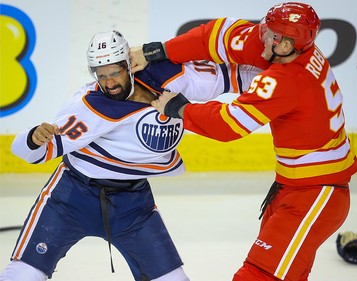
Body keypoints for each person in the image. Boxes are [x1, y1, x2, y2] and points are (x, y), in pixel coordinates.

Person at [0, 30, 260, 281]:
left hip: (134, 205)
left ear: (129, 65)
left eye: (115, 72)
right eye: (101, 76)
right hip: (71, 198)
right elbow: (29, 152)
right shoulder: (89, 106)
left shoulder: (169, 78)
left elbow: (237, 75)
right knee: (23, 273)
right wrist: (33, 136)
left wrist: (288, 73)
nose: (109, 83)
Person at [130, 2, 357, 281]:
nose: (260, 33)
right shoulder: (288, 49)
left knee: (257, 275)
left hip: (316, 195)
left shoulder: (287, 79)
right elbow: (216, 35)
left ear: (285, 45)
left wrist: (179, 109)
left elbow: (228, 124)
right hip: (297, 188)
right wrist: (156, 50)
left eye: (269, 33)